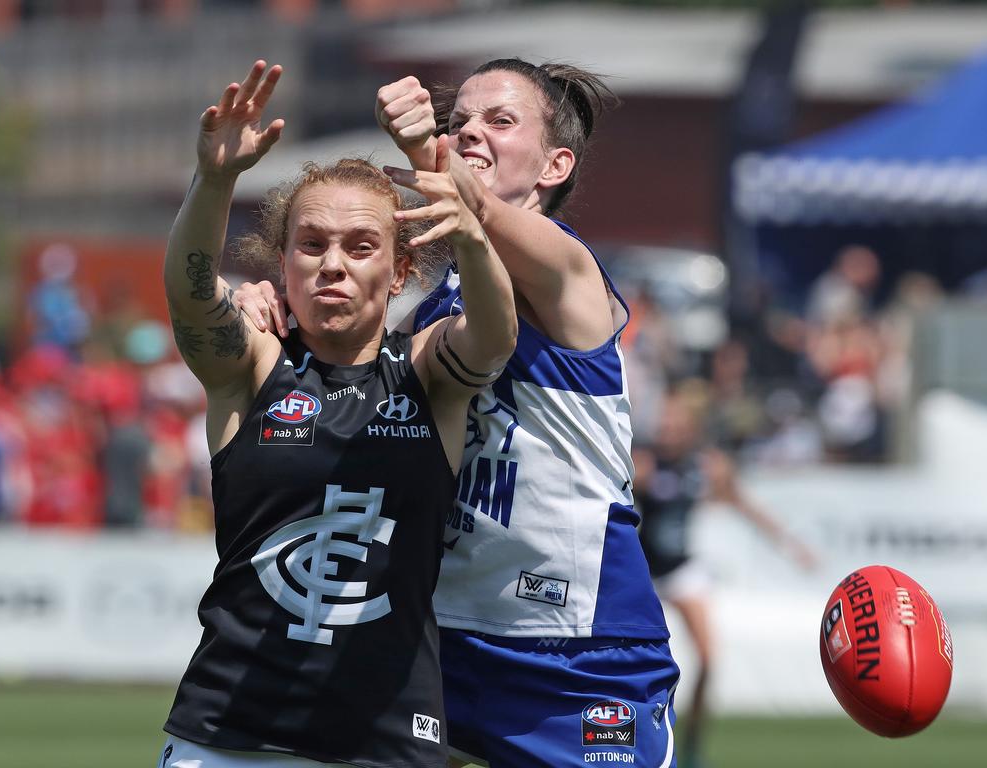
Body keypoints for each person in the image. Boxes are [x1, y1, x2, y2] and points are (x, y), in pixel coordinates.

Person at [238, 59, 679, 768]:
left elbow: (482, 218)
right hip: (438, 639)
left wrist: (427, 153)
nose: (471, 130)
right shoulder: (436, 310)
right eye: (460, 119)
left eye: (500, 121)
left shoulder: (571, 273)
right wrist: (271, 314)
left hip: (579, 653)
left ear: (554, 165)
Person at [159, 60, 517, 768]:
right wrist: (216, 180)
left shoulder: (427, 375)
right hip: (228, 737)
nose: (333, 265)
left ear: (402, 268)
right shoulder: (251, 368)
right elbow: (191, 297)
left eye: (360, 247)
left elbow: (496, 334)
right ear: (282, 260)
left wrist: (473, 235)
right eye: (312, 244)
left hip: (386, 743)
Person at [634, 388, 817, 768]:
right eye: (664, 423)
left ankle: (693, 745)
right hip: (645, 572)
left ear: (690, 429)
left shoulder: (707, 466)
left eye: (674, 424)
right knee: (635, 661)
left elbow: (745, 506)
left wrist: (791, 544)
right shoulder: (645, 463)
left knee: (707, 658)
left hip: (682, 568)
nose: (666, 430)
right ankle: (634, 739)